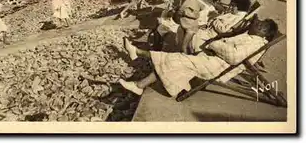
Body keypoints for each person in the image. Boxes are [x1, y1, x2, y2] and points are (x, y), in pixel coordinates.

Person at [118, 17, 278, 97]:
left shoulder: (255, 43)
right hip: (212, 59)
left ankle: (137, 55)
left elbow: (234, 57)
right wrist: (217, 43)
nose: (257, 24)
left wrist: (214, 44)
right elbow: (229, 47)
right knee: (176, 61)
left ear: (264, 33)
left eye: (261, 25)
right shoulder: (251, 37)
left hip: (216, 66)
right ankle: (139, 83)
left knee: (175, 60)